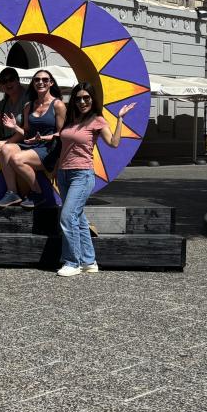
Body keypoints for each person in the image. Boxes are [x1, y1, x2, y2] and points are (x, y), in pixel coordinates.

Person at [56, 82, 135, 276]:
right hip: (63, 174)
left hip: (82, 175)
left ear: (92, 99)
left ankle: (72, 262)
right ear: (73, 100)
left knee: (67, 217)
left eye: (86, 98)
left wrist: (120, 119)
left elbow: (114, 143)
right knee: (79, 219)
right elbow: (64, 140)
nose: (82, 101)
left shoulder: (97, 120)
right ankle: (90, 262)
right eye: (78, 98)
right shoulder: (71, 120)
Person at [0, 69, 66, 209]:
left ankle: (37, 193)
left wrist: (43, 137)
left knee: (16, 159)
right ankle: (12, 193)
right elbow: (26, 133)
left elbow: (62, 134)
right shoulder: (29, 106)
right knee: (6, 148)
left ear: (51, 83)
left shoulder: (58, 105)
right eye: (37, 80)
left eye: (45, 80)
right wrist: (15, 127)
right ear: (33, 83)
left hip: (49, 149)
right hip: (32, 146)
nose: (41, 82)